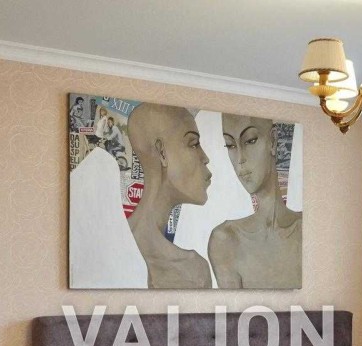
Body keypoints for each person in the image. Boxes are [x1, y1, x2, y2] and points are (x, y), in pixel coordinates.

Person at [208, 114, 302, 289]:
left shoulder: (308, 229)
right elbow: (233, 307)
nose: (240, 159)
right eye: (230, 145)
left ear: (273, 141)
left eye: (250, 141)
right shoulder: (225, 240)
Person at [126, 103, 213, 289]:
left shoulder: (111, 244)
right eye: (193, 144)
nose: (205, 158)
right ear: (162, 153)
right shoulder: (192, 271)